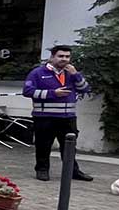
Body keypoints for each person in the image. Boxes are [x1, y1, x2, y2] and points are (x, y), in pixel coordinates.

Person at [22, 45, 93, 182]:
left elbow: (85, 89)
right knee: (43, 145)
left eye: (67, 56)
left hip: (68, 118)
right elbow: (27, 91)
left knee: (69, 147)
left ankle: (73, 171)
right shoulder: (37, 73)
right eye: (61, 56)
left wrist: (76, 74)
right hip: (44, 117)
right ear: (52, 57)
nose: (64, 59)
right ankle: (42, 170)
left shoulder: (71, 73)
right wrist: (53, 93)